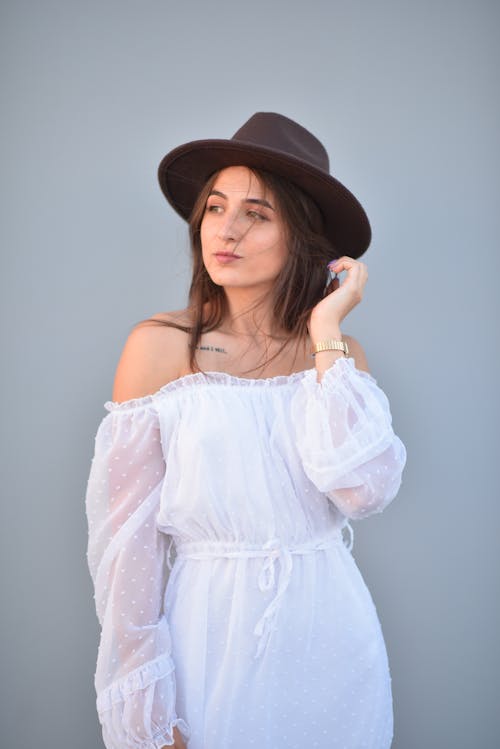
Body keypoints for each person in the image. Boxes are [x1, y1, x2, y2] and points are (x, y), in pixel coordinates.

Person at [85, 112, 407, 749]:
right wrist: (146, 700)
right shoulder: (161, 348)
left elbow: (362, 491)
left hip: (331, 636)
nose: (224, 230)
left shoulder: (336, 358)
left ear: (303, 237)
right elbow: (126, 550)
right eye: (214, 207)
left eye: (257, 214)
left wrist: (325, 333)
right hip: (210, 635)